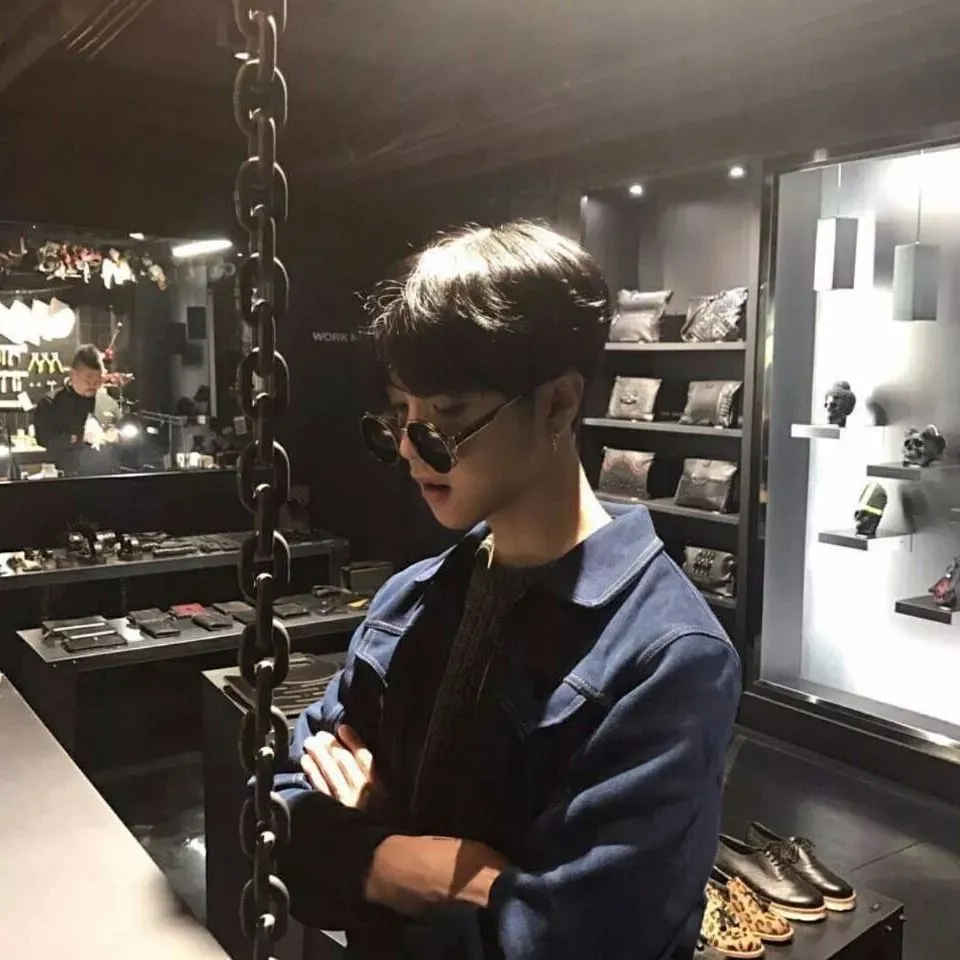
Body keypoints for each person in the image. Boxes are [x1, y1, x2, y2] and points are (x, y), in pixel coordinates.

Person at [273, 221, 742, 959]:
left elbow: (574, 940)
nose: (410, 451)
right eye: (400, 418)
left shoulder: (667, 659)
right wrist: (400, 865)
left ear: (556, 406)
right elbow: (282, 810)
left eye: (446, 419)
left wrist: (365, 844)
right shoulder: (410, 601)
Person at [34, 344, 113, 474]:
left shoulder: (108, 403)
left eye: (98, 381)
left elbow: (120, 431)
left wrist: (116, 435)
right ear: (73, 374)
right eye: (88, 381)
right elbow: (44, 439)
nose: (93, 386)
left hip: (107, 477)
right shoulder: (51, 403)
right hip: (67, 477)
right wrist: (78, 438)